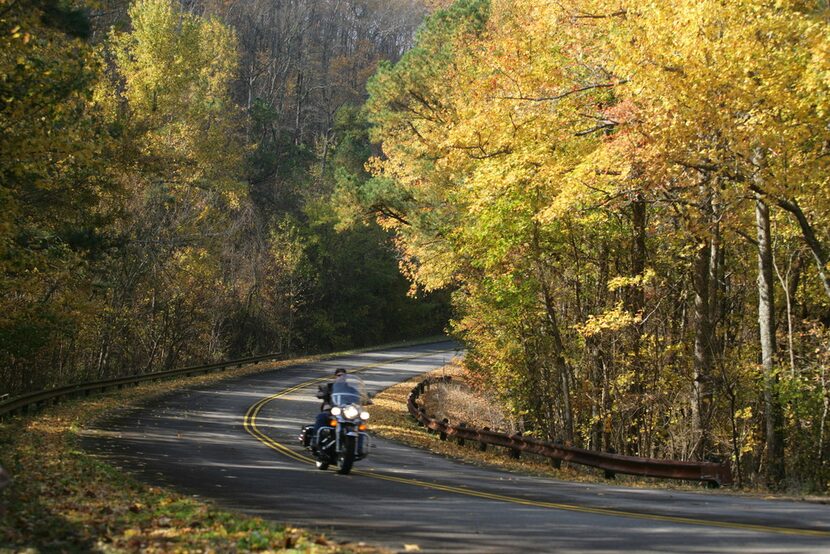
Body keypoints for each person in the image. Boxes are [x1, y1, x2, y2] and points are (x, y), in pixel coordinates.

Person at [310, 368, 347, 448]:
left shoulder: (350, 388)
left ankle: (358, 447)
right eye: (339, 375)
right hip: (331, 411)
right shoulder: (330, 387)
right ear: (335, 376)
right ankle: (315, 440)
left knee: (358, 423)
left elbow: (359, 397)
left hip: (345, 413)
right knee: (321, 417)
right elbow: (321, 392)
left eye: (343, 375)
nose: (341, 377)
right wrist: (321, 394)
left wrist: (366, 399)